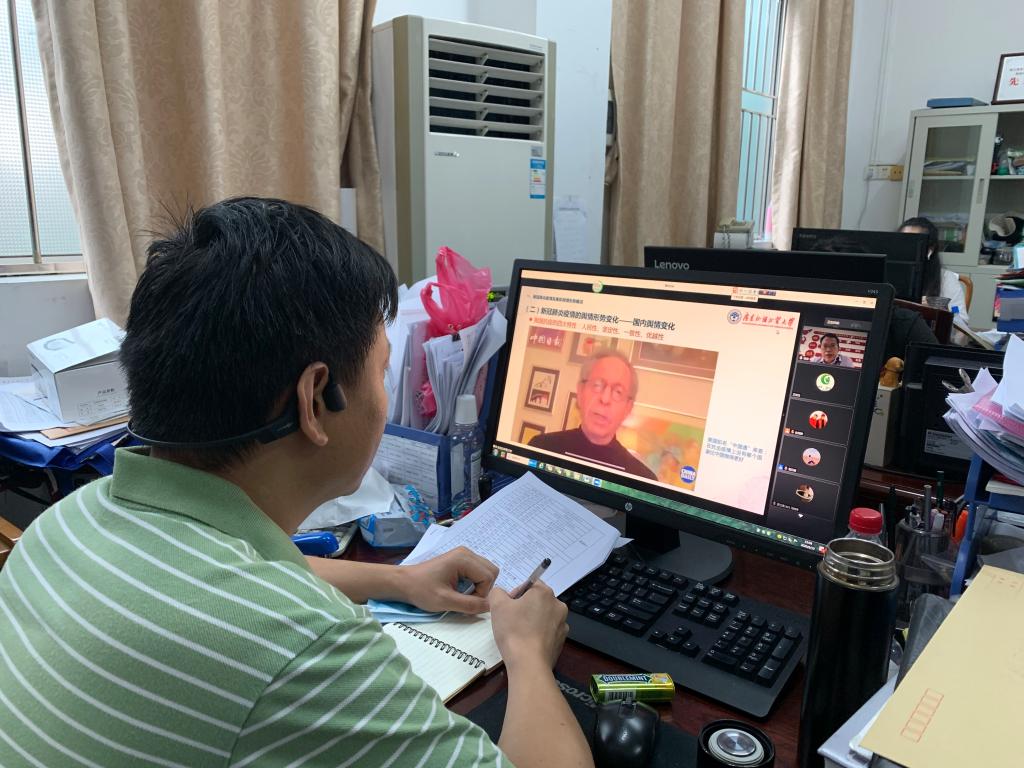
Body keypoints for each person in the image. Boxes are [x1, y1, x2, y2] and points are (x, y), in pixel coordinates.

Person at [0, 198, 593, 768]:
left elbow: (232, 576)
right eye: (382, 371)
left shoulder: (62, 525)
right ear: (315, 400)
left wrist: (398, 580)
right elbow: (263, 616)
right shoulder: (303, 648)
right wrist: (527, 652)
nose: (384, 395)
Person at [529, 348, 657, 480]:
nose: (605, 399)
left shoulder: (642, 478)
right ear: (580, 391)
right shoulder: (541, 448)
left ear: (628, 408)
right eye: (597, 385)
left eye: (618, 392)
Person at [900, 216, 969, 323]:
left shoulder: (946, 279)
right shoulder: (888, 273)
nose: (907, 249)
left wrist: (942, 312)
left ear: (930, 249)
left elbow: (960, 318)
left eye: (913, 243)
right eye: (903, 242)